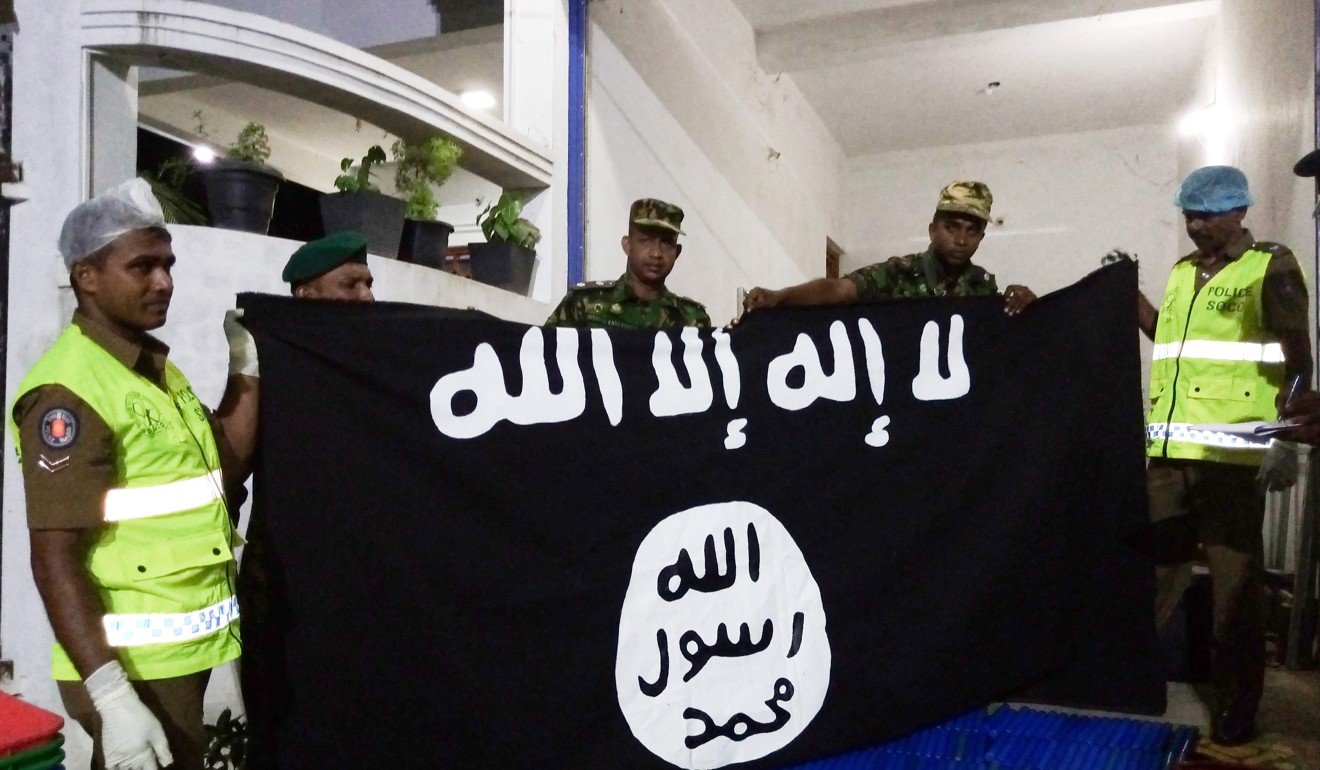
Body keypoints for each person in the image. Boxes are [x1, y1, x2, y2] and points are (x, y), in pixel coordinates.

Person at [10, 179, 245, 769]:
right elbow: (53, 555)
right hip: (130, 664)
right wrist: (111, 696)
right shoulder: (70, 390)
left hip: (175, 651)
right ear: (86, 275)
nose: (163, 281)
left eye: (167, 265)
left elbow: (227, 466)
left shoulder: (154, 370)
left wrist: (249, 368)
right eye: (142, 266)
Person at [1137, 165, 1312, 746]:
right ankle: (1137, 678)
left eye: (1207, 214)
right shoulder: (1183, 272)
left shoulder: (1271, 264)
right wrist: (1129, 296)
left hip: (1232, 462)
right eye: (1188, 214)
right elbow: (1170, 341)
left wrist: (1284, 437)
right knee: (1154, 574)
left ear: (1239, 211)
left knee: (1235, 591)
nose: (1195, 226)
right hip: (1168, 455)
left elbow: (1298, 357)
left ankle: (1237, 707)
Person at [740, 181, 1036, 317]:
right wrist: (780, 298)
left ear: (981, 238)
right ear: (932, 231)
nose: (961, 239)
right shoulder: (899, 273)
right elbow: (838, 291)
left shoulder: (984, 287)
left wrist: (1032, 308)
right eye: (952, 227)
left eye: (972, 231)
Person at [545, 198, 710, 330]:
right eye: (645, 241)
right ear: (627, 245)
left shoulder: (693, 319)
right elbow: (545, 354)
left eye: (666, 243)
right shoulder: (584, 304)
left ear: (677, 252)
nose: (656, 253)